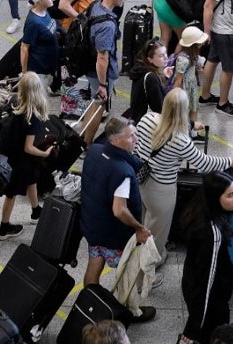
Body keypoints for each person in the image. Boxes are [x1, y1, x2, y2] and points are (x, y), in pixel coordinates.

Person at [135, 89, 233, 264]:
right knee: (158, 232)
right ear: (184, 110)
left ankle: (142, 252)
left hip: (142, 180)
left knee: (145, 222)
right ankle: (151, 265)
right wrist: (230, 161)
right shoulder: (180, 140)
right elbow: (205, 163)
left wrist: (189, 124)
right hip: (162, 189)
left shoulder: (147, 119)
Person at [79, 116, 154, 321]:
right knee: (127, 273)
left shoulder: (94, 150)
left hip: (93, 224)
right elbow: (119, 210)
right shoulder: (122, 171)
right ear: (115, 140)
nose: (136, 139)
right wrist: (139, 228)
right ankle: (131, 311)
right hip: (114, 233)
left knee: (95, 262)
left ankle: (89, 303)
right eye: (131, 137)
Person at [178, 171, 233, 343]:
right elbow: (206, 283)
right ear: (215, 198)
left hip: (190, 281)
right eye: (231, 195)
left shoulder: (200, 210)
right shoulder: (212, 234)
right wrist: (192, 329)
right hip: (211, 299)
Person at [0, 73, 55, 238]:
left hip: (10, 154)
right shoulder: (32, 116)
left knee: (32, 179)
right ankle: (4, 227)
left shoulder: (16, 103)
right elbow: (29, 147)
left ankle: (36, 211)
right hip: (19, 160)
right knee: (11, 193)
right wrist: (44, 153)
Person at [170, 26, 210, 133]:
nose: (202, 44)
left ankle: (192, 132)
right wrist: (175, 96)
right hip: (185, 89)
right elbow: (178, 80)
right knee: (183, 110)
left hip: (192, 86)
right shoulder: (183, 59)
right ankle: (184, 132)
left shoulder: (192, 55)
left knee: (194, 108)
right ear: (194, 44)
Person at [21, 0, 60, 90]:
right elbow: (24, 48)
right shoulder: (34, 23)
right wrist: (25, 73)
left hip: (48, 64)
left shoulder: (44, 11)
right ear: (40, 0)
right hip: (39, 69)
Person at [126, 40, 171, 124]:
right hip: (145, 124)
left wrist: (163, 76)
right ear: (150, 59)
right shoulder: (151, 78)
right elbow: (160, 108)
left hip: (137, 120)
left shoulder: (141, 70)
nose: (166, 58)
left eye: (165, 53)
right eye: (161, 56)